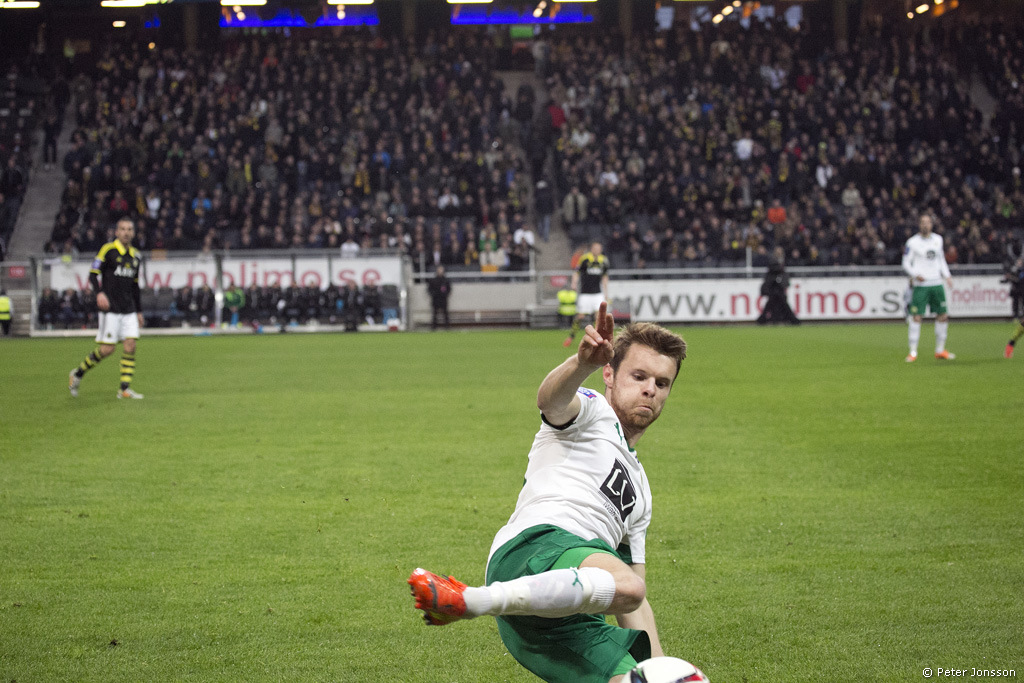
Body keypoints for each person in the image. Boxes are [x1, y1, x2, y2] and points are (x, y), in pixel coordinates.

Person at [408, 303, 688, 683]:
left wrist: (662, 670)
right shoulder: (592, 411)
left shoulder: (641, 491)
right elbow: (550, 401)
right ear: (609, 373)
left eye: (662, 383)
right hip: (536, 547)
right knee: (628, 585)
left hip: (565, 616)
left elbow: (634, 599)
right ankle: (471, 599)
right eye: (639, 376)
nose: (650, 389)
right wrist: (581, 365)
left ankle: (480, 600)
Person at [68, 217, 145, 399]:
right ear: (117, 232)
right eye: (123, 229)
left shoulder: (136, 256)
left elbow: (135, 286)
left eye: (129, 229)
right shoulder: (108, 250)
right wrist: (99, 293)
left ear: (133, 233)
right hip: (111, 309)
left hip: (129, 309)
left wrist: (139, 311)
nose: (126, 232)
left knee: (131, 345)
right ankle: (78, 373)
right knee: (107, 349)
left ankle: (124, 389)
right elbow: (93, 274)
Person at [902, 214, 954, 362]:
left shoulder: (938, 239)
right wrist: (915, 274)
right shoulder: (912, 242)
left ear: (932, 224)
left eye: (928, 222)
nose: (925, 225)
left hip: (936, 283)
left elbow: (941, 259)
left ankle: (940, 350)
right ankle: (913, 352)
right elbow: (905, 263)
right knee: (916, 316)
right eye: (923, 222)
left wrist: (947, 276)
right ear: (919, 224)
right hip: (921, 285)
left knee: (943, 315)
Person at [564, 242, 610, 347]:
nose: (597, 250)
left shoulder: (604, 261)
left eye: (599, 248)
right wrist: (574, 283)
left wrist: (606, 292)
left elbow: (604, 276)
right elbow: (576, 272)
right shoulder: (585, 259)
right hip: (585, 293)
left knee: (598, 316)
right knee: (580, 316)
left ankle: (596, 338)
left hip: (598, 293)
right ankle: (571, 336)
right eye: (595, 248)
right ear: (591, 249)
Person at [756, 247, 800, 325]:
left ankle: (763, 319)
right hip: (775, 289)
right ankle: (792, 320)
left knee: (772, 305)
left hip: (778, 289)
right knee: (780, 305)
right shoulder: (776, 265)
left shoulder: (780, 264)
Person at [427, 266, 452, 330]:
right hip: (435, 299)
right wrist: (433, 294)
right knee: (435, 314)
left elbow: (449, 289)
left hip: (443, 299)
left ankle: (447, 326)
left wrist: (445, 294)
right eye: (439, 270)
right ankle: (434, 327)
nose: (440, 271)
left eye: (441, 270)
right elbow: (429, 289)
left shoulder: (445, 280)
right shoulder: (433, 280)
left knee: (445, 313)